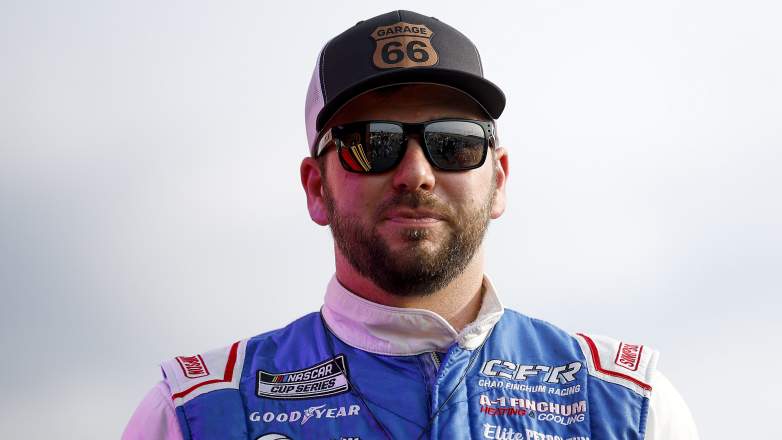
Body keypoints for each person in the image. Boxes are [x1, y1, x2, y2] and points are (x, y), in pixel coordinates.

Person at [123, 10, 698, 440]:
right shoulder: (195, 415)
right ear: (316, 188)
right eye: (373, 143)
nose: (416, 174)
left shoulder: (630, 409)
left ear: (499, 179)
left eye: (454, 142)